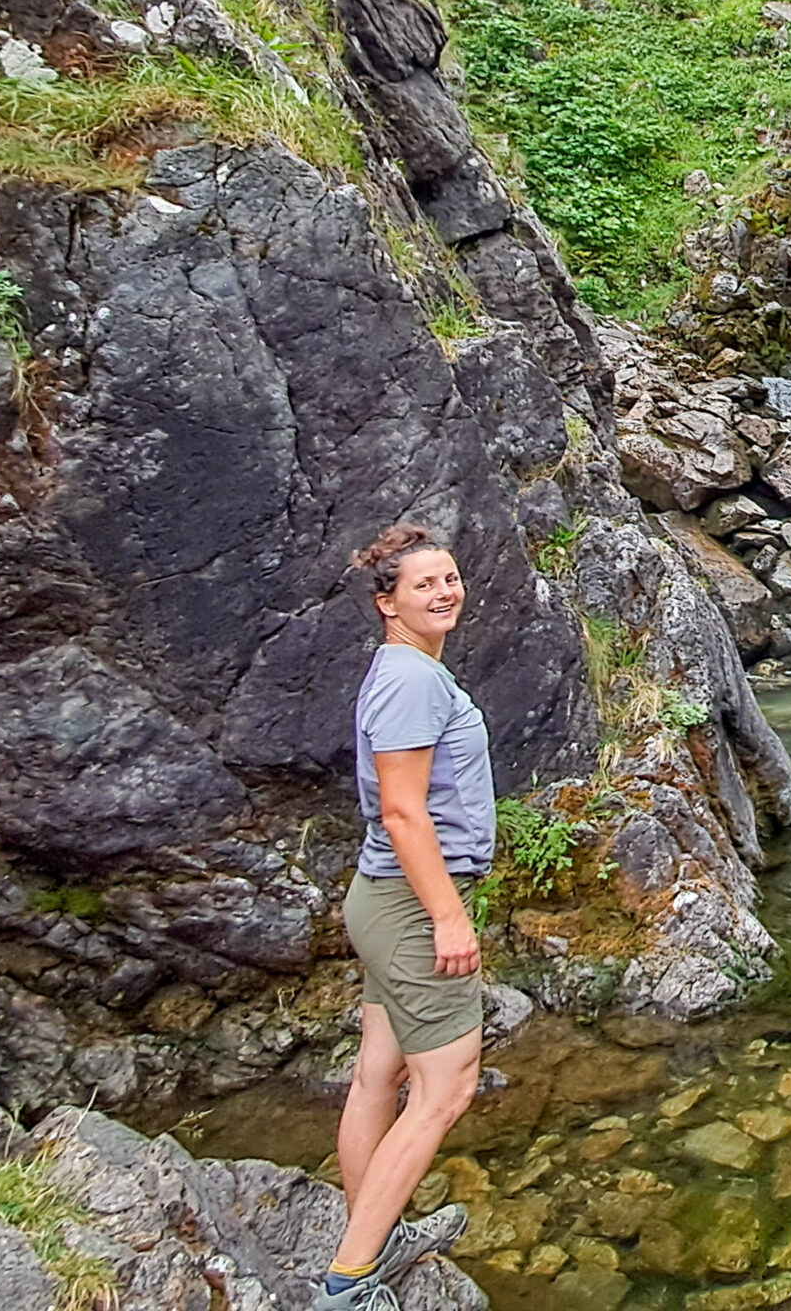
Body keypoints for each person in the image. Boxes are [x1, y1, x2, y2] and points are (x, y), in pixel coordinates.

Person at [314, 523, 495, 1309]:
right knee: (446, 1092)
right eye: (424, 584)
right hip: (412, 903)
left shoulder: (406, 669)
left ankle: (372, 1238)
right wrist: (449, 918)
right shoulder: (411, 679)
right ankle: (348, 1285)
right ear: (387, 602)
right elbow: (403, 812)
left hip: (386, 898)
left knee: (378, 1076)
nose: (444, 591)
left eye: (450, 578)